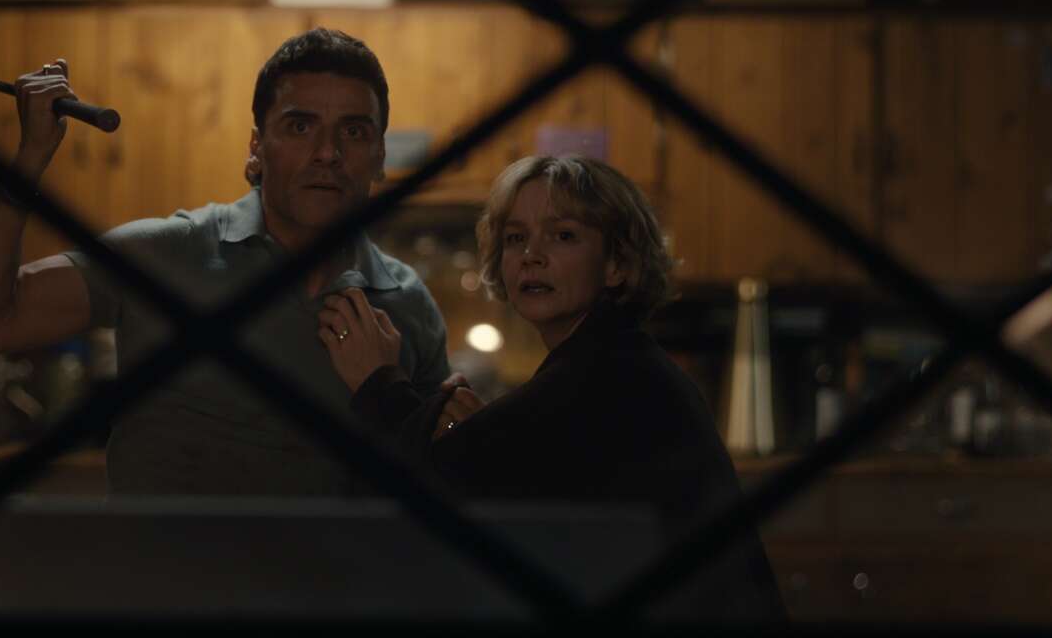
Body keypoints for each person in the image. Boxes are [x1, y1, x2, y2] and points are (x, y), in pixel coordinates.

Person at [0, 27, 451, 496]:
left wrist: (387, 389)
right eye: (300, 127)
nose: (328, 152)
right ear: (256, 148)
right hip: (168, 573)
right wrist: (29, 158)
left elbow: (443, 483)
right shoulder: (162, 254)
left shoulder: (408, 303)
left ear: (379, 156)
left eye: (354, 132)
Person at [315, 155, 785, 620]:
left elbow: (425, 496)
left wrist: (378, 382)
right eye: (515, 238)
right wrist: (476, 436)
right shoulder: (614, 360)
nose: (531, 255)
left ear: (617, 263)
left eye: (563, 236)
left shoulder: (607, 375)